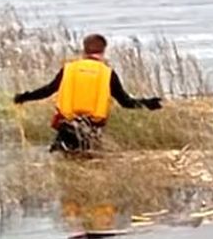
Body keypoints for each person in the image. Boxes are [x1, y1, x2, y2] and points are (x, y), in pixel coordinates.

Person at [13, 34, 163, 152]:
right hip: (91, 129)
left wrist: (24, 97)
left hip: (66, 128)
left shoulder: (69, 69)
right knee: (90, 164)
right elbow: (126, 102)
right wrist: (149, 103)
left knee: (61, 164)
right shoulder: (107, 74)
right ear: (103, 51)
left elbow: (47, 90)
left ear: (84, 50)